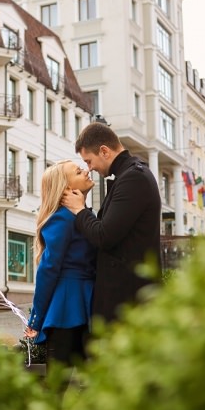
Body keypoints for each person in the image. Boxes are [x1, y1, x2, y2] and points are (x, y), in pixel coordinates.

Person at [62, 122, 161, 323]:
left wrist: (79, 210)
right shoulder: (130, 175)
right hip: (127, 300)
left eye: (89, 161)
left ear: (104, 151)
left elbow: (104, 235)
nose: (89, 168)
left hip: (129, 303)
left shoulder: (133, 178)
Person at [24, 160, 96, 375]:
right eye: (78, 171)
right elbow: (48, 269)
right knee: (58, 386)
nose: (86, 171)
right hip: (66, 307)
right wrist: (36, 319)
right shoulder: (62, 218)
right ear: (66, 188)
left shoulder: (83, 215)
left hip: (83, 302)